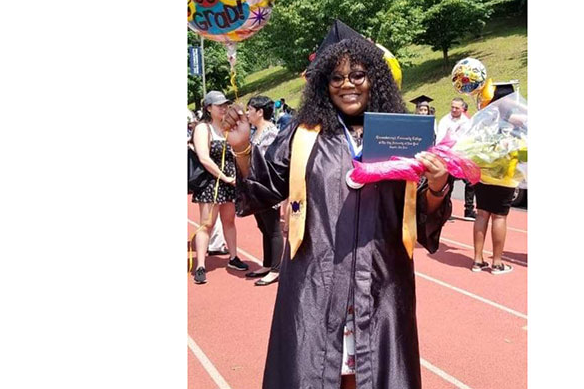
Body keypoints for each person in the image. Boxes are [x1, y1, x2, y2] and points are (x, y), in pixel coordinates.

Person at [223, 38, 452, 389]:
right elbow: (264, 187)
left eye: (358, 74)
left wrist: (437, 184)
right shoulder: (304, 135)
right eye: (336, 77)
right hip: (317, 280)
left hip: (380, 280)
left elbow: (421, 215)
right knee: (315, 371)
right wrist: (241, 147)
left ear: (375, 78)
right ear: (322, 85)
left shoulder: (401, 136)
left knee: (372, 374)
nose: (347, 84)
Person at [190, 91, 249, 284]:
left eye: (225, 105)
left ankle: (233, 257)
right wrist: (224, 177)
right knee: (206, 224)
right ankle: (200, 265)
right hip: (211, 183)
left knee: (229, 221)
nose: (224, 108)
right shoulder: (203, 129)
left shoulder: (228, 128)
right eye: (219, 106)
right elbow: (204, 157)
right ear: (208, 108)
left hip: (229, 183)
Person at [470, 85, 525, 275]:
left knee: (482, 213)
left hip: (482, 171)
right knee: (499, 216)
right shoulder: (516, 120)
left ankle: (477, 260)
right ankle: (497, 263)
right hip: (504, 173)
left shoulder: (484, 118)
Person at [244, 95, 283, 287]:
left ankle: (276, 269)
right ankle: (267, 264)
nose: (247, 113)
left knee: (274, 228)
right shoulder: (256, 132)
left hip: (268, 187)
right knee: (263, 227)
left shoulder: (271, 132)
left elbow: (274, 161)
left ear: (260, 112)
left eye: (250, 109)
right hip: (255, 186)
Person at [437, 98, 477, 220]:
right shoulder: (445, 120)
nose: (454, 110)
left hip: (463, 157)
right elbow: (440, 140)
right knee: (449, 184)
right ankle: (446, 210)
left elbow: (471, 138)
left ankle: (469, 210)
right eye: (452, 107)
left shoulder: (467, 122)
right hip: (448, 157)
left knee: (471, 182)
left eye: (457, 108)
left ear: (463, 109)